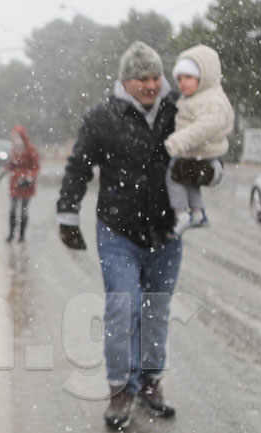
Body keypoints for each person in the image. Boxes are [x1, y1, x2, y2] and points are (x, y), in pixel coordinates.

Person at [56, 41, 181, 429]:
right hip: (118, 231)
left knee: (155, 311)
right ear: (125, 80)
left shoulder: (178, 111)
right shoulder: (102, 117)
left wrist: (206, 172)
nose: (150, 83)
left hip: (167, 231)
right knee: (122, 308)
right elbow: (79, 167)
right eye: (142, 77)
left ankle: (150, 383)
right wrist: (67, 215)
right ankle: (120, 389)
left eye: (155, 76)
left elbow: (209, 151)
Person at [164, 44, 233, 237]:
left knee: (174, 175)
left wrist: (178, 141)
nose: (182, 83)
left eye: (188, 77)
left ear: (204, 77)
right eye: (179, 78)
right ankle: (197, 212)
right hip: (198, 154)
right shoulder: (198, 97)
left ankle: (181, 213)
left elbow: (206, 126)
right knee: (188, 180)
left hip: (205, 154)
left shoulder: (210, 99)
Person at [4, 125, 40, 243]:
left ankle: (22, 235)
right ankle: (11, 234)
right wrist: (6, 169)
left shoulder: (31, 149)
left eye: (17, 136)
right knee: (13, 210)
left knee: (24, 210)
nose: (15, 139)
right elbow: (12, 164)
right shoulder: (14, 149)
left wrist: (29, 177)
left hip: (26, 185)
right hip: (15, 183)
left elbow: (36, 167)